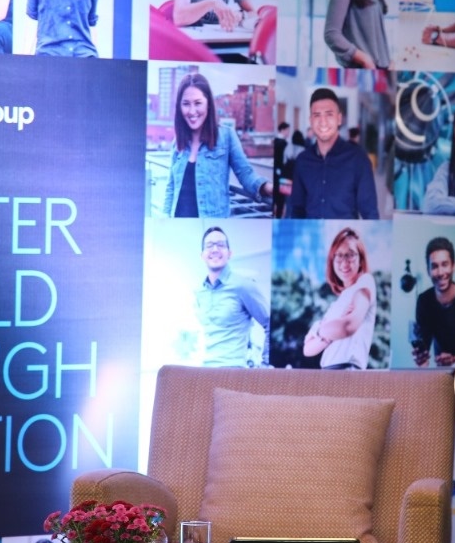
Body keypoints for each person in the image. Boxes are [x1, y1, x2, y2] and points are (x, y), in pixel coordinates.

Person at [162, 73, 271, 217]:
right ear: (179, 107)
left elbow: (245, 173)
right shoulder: (177, 142)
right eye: (186, 104)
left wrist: (267, 187)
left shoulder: (226, 136)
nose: (192, 111)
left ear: (208, 104)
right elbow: (171, 187)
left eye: (198, 103)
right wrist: (164, 219)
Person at [289, 89, 379, 220]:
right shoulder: (302, 160)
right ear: (311, 121)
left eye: (329, 114)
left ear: (339, 119)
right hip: (311, 232)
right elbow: (297, 211)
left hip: (344, 232)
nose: (323, 121)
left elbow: (370, 214)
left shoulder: (358, 159)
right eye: (317, 115)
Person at [195, 226, 270, 367]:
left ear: (229, 253)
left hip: (232, 371)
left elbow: (270, 322)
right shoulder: (200, 291)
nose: (215, 249)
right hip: (203, 370)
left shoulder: (243, 285)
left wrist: (265, 365)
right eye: (209, 245)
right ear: (202, 255)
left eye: (221, 245)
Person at [304, 227, 377, 369]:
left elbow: (347, 326)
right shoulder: (335, 305)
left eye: (351, 255)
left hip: (347, 369)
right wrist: (330, 331)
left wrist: (320, 331)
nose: (344, 262)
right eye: (339, 255)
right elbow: (307, 349)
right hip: (327, 371)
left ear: (361, 259)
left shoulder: (365, 281)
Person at [413, 236, 455, 367]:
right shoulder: (424, 301)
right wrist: (421, 358)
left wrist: (454, 359)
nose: (440, 272)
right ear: (428, 270)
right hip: (441, 370)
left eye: (445, 264)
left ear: (453, 266)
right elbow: (424, 351)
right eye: (434, 266)